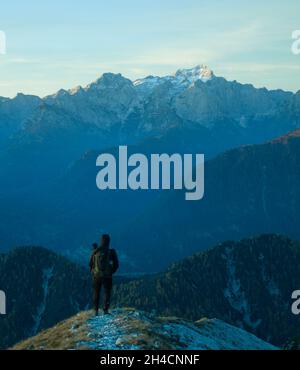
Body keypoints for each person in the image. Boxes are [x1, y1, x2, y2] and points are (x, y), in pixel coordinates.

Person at [89, 234, 119, 315]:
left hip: (96, 276)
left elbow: (90, 264)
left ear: (101, 240)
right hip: (107, 276)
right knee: (107, 293)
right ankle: (105, 310)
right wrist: (111, 272)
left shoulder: (95, 251)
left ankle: (95, 311)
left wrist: (93, 272)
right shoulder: (111, 251)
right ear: (109, 241)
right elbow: (116, 265)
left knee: (96, 292)